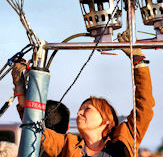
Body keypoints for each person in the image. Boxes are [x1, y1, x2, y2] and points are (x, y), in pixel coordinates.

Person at [12, 30, 155, 157]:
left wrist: (138, 62)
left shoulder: (125, 137)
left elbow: (145, 106)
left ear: (107, 120)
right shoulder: (67, 144)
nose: (80, 113)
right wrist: (20, 88)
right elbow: (34, 128)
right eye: (81, 108)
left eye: (87, 109)